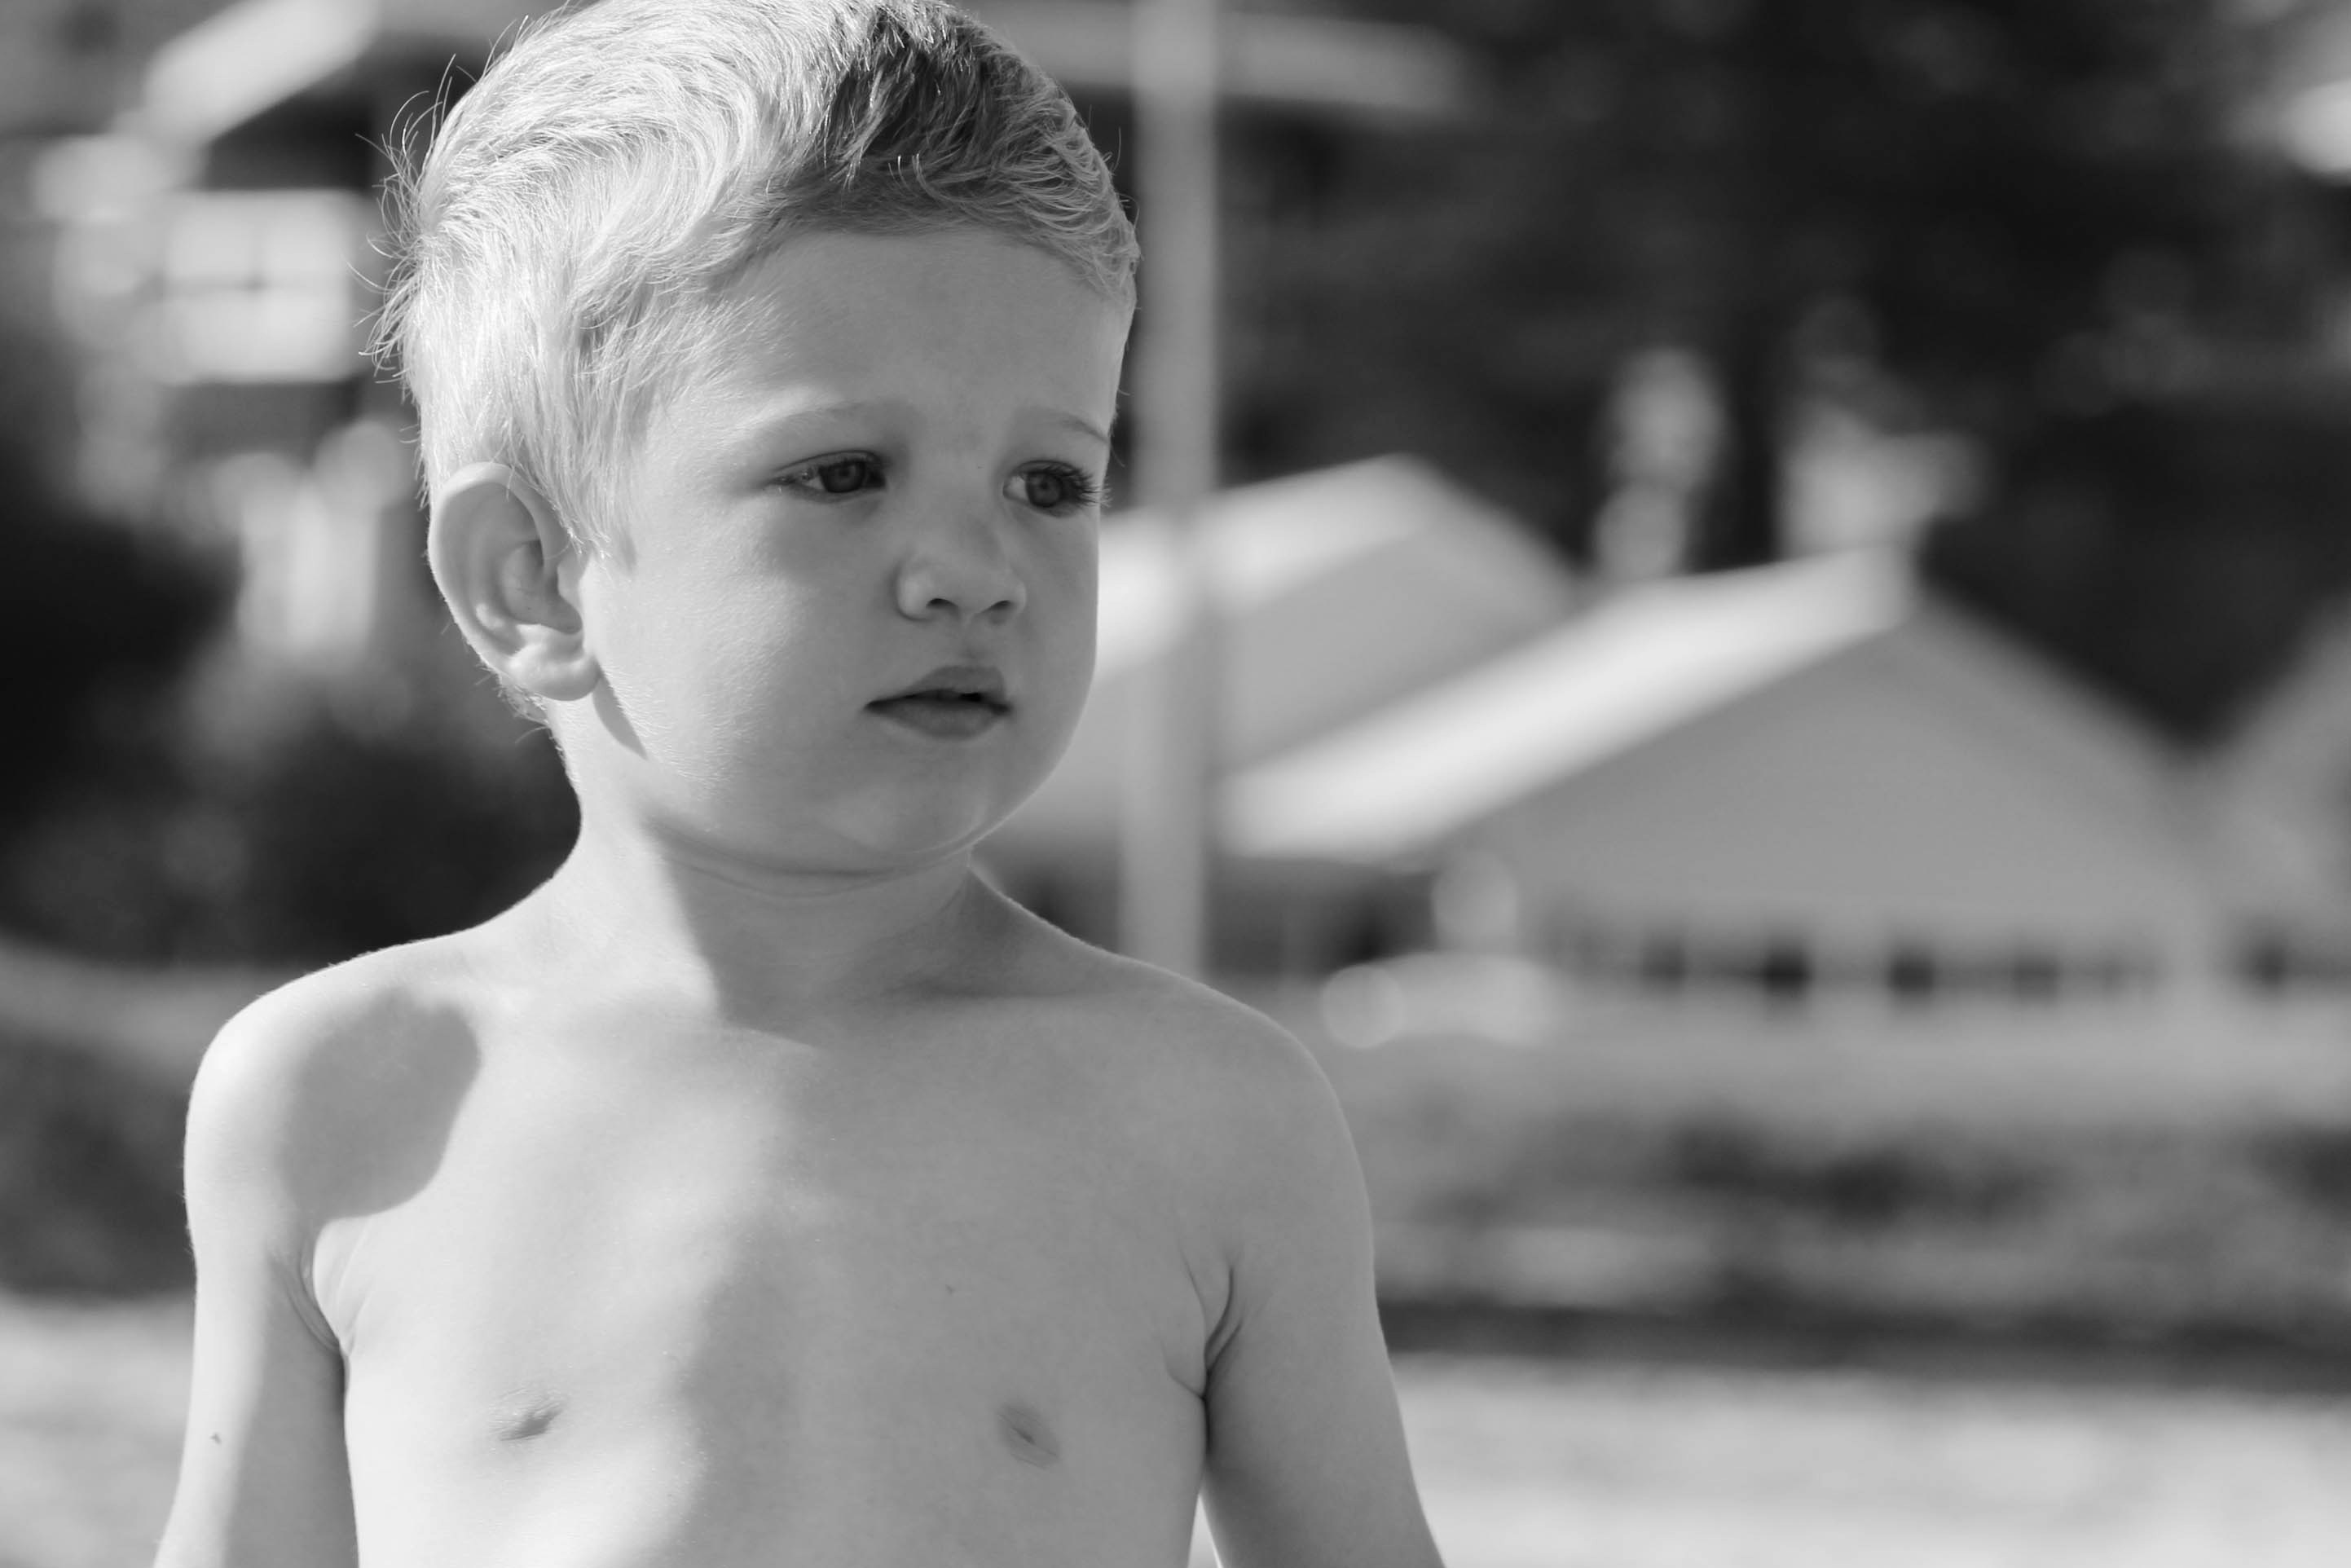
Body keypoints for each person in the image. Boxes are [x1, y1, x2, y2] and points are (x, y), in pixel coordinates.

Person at [154, 2, 1445, 1564]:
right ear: (533, 580)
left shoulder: (1212, 1121)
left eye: (1053, 481)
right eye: (842, 474)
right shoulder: (341, 1097)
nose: (975, 571)